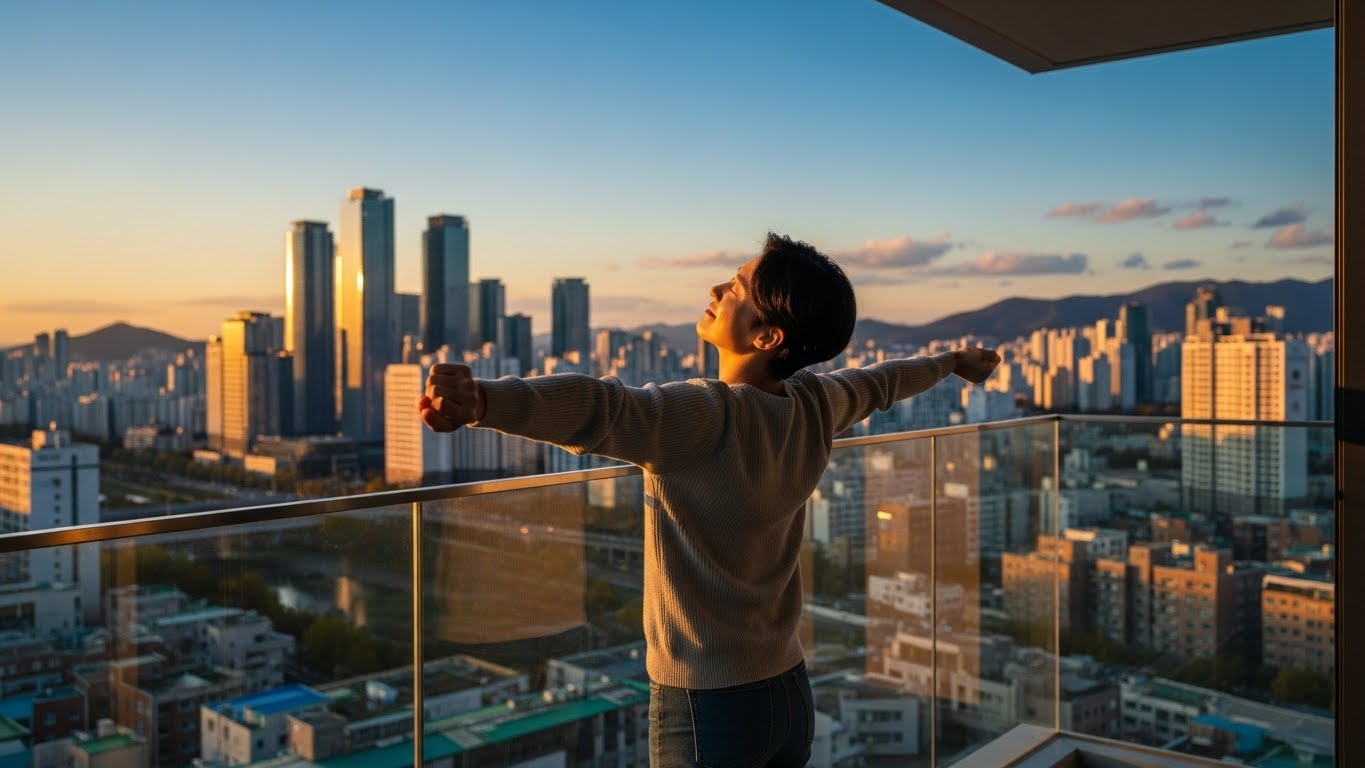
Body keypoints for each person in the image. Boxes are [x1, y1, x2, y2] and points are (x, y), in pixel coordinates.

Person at [419, 232, 999, 767]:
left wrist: (484, 403)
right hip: (789, 692)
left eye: (736, 288)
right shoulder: (817, 406)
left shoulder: (706, 415)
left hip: (706, 704)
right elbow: (881, 382)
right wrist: (951, 364)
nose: (716, 290)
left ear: (768, 336)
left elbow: (604, 407)